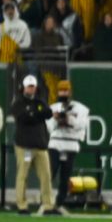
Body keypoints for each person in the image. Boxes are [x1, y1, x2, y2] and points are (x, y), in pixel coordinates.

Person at [12, 74, 55, 215]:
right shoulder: (18, 102)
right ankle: (22, 205)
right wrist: (37, 113)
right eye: (29, 86)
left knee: (46, 176)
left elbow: (48, 113)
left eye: (33, 86)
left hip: (40, 144)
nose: (32, 89)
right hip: (24, 145)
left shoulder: (39, 101)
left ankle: (48, 205)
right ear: (24, 87)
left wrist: (35, 113)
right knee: (22, 176)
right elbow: (24, 117)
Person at [47, 79, 91, 211]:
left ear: (70, 91)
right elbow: (49, 127)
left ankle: (60, 202)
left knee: (65, 176)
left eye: (65, 90)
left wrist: (68, 119)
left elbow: (83, 125)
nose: (63, 93)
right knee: (51, 172)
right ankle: (46, 200)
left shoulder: (81, 108)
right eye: (61, 90)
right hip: (56, 142)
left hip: (71, 143)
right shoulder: (53, 108)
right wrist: (56, 119)